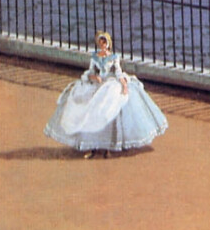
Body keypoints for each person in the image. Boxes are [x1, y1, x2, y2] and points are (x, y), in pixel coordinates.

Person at [44, 29, 167, 157]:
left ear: (108, 44)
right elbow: (91, 71)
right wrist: (94, 77)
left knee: (109, 104)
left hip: (110, 82)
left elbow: (118, 72)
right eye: (101, 43)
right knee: (87, 107)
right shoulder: (95, 57)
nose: (103, 45)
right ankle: (92, 146)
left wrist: (124, 85)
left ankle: (107, 148)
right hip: (98, 83)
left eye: (105, 43)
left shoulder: (113, 57)